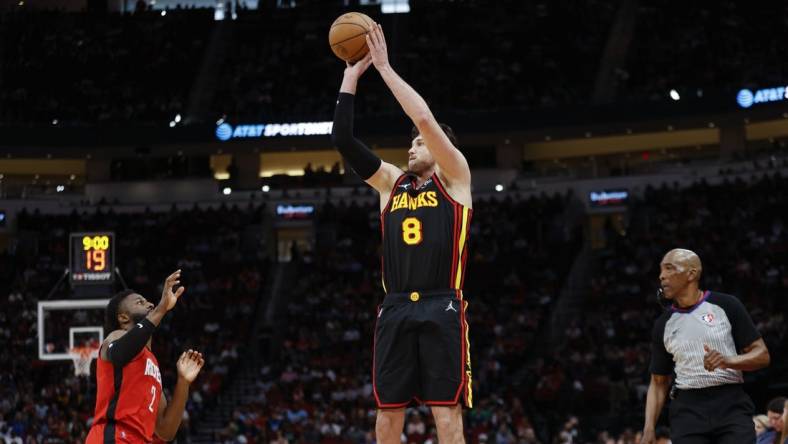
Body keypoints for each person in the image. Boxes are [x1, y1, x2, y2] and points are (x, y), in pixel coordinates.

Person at [331, 23, 473, 444]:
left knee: (446, 415)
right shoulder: (390, 183)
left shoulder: (455, 179)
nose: (412, 146)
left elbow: (424, 117)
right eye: (410, 142)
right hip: (394, 307)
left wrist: (384, 68)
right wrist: (350, 77)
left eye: (420, 143)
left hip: (441, 306)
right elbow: (343, 138)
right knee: (386, 416)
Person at [640, 249, 770, 444]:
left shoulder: (727, 305)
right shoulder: (663, 324)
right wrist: (648, 428)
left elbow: (762, 355)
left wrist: (729, 361)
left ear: (691, 274)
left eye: (669, 268)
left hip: (730, 402)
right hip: (687, 409)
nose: (661, 276)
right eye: (661, 270)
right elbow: (658, 383)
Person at [86, 270, 205, 443]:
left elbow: (165, 430)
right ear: (124, 318)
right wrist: (161, 308)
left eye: (149, 301)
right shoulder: (116, 336)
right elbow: (120, 354)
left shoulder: (152, 363)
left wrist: (183, 383)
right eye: (140, 302)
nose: (150, 304)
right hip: (113, 436)